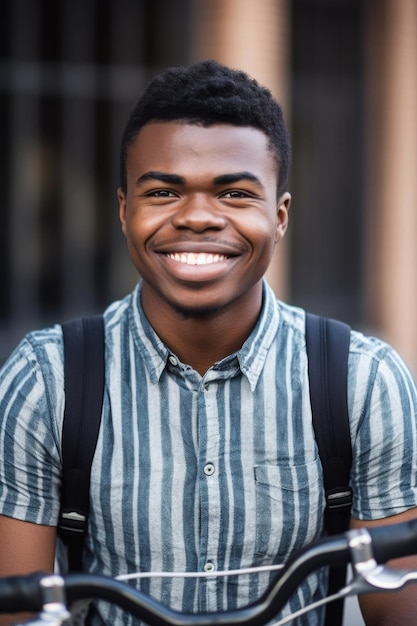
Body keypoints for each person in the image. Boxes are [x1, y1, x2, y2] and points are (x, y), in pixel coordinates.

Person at [0, 59, 417, 626]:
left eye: (236, 193)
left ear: (280, 215)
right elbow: (18, 613)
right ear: (125, 212)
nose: (197, 217)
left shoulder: (364, 383)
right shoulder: (47, 381)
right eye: (164, 192)